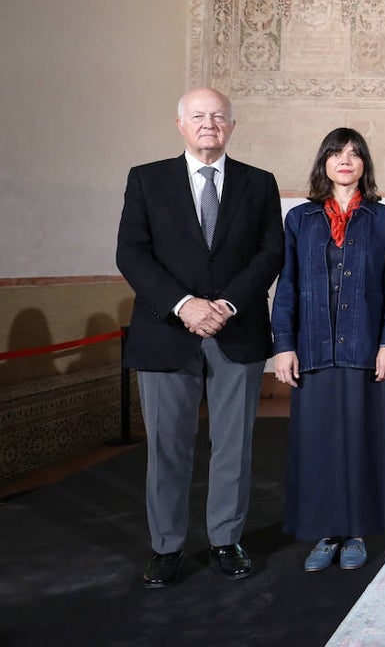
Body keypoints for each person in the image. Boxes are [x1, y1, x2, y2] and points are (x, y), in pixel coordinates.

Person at [116, 87, 284, 588]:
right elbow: (132, 253)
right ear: (180, 124)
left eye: (218, 116)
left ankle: (225, 540)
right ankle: (166, 547)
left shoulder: (259, 183)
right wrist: (184, 304)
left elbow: (270, 252)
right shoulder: (146, 179)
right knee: (168, 446)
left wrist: (227, 304)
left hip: (237, 331)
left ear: (231, 125)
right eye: (198, 116)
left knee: (234, 444)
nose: (208, 123)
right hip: (166, 332)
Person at [270, 128, 385, 571]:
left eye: (354, 154)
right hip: (313, 349)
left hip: (366, 349)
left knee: (362, 441)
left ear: (365, 164)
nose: (345, 160)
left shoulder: (384, 219)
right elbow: (286, 286)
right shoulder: (300, 220)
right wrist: (284, 346)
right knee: (318, 444)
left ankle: (357, 532)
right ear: (323, 163)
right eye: (336, 153)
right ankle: (326, 533)